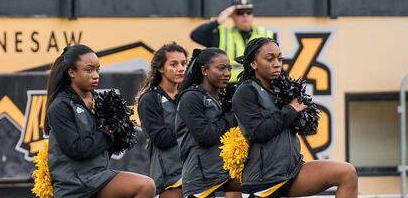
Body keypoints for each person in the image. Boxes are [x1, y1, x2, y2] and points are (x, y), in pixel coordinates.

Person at [232, 38, 358, 197]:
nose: (277, 63)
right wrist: (291, 109)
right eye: (269, 59)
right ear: (253, 63)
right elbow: (259, 132)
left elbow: (306, 128)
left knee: (346, 172)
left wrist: (305, 112)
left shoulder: (282, 88)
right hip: (264, 181)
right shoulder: (246, 91)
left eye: (280, 58)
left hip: (292, 172)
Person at [45, 44, 156, 198]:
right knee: (145, 185)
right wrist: (108, 132)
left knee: (146, 186)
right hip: (75, 185)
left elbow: (106, 147)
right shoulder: (61, 106)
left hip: (97, 177)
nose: (95, 75)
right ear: (72, 72)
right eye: (88, 70)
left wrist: (120, 131)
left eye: (98, 69)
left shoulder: (99, 101)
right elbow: (77, 149)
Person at [175, 48, 241, 198]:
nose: (227, 73)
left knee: (267, 181)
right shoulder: (191, 97)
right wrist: (230, 116)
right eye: (221, 68)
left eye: (229, 68)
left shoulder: (222, 97)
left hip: (223, 172)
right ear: (205, 70)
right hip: (200, 179)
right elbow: (205, 136)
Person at [136, 43, 188, 198]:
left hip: (195, 172)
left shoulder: (189, 95)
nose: (181, 68)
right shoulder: (149, 99)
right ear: (160, 68)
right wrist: (190, 123)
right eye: (174, 64)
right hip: (168, 177)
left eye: (184, 63)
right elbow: (161, 139)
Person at [190, 0, 274, 80]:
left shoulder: (266, 34)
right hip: (229, 86)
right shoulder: (221, 34)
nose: (245, 15)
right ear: (232, 15)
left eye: (248, 12)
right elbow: (196, 35)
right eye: (240, 12)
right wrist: (218, 21)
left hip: (257, 84)